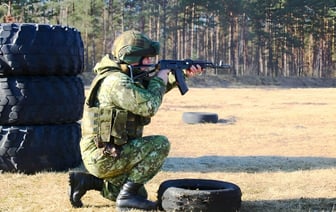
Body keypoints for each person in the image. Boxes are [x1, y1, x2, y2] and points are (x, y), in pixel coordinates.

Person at [69, 30, 203, 211]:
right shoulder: (116, 82)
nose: (150, 62)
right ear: (132, 57)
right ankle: (126, 197)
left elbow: (147, 93)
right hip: (104, 155)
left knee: (141, 195)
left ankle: (85, 181)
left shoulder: (125, 76)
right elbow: (149, 105)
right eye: (146, 58)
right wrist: (161, 76)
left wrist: (181, 75)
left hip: (109, 150)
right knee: (160, 144)